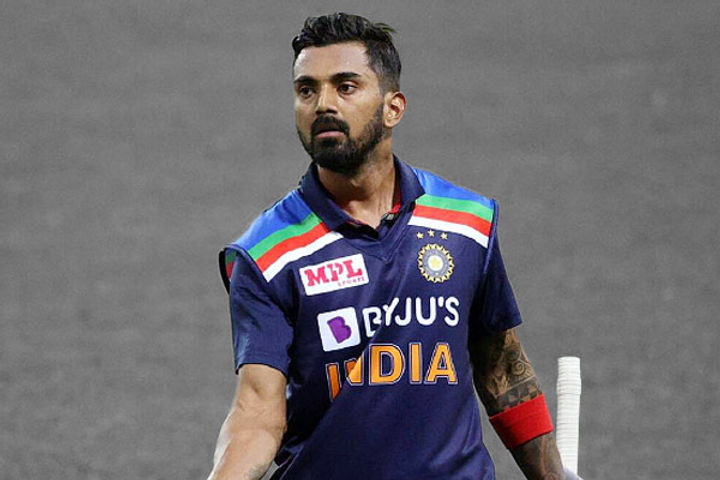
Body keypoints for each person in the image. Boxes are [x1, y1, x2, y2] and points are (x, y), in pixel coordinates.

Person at [208, 13, 576, 480]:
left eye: (346, 87)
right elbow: (257, 413)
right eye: (306, 90)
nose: (323, 104)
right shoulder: (268, 256)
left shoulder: (465, 224)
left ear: (393, 108)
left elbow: (501, 368)